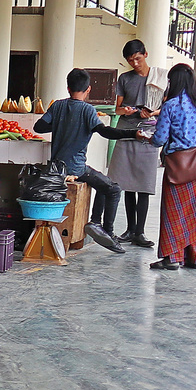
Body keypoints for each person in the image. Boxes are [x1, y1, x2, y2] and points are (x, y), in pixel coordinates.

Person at [33, 68, 125, 253]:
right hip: (76, 169)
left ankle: (96, 223)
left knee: (103, 183)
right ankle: (105, 229)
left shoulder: (57, 106)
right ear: (89, 89)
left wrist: (60, 124)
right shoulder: (88, 110)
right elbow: (104, 131)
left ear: (68, 88)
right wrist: (131, 134)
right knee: (113, 189)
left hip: (56, 168)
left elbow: (39, 127)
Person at [145, 63, 196, 270]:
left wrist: (147, 138)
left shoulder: (171, 105)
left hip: (178, 166)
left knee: (174, 212)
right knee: (194, 212)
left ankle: (172, 257)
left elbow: (159, 138)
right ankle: (194, 257)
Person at [107, 38, 164, 248]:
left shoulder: (161, 77)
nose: (135, 64)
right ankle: (130, 230)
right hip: (127, 130)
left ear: (145, 54)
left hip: (149, 132)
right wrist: (128, 111)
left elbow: (166, 106)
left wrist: (152, 112)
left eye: (138, 59)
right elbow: (117, 108)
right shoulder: (124, 79)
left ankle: (140, 231)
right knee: (126, 183)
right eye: (131, 60)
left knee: (144, 184)